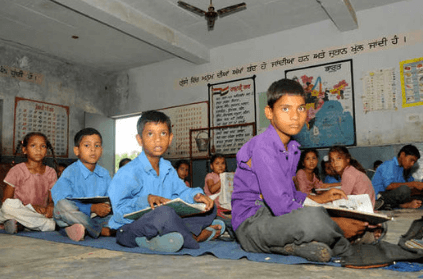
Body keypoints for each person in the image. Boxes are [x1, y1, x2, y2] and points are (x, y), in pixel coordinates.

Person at [231, 78, 371, 263]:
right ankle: (339, 235)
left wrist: (319, 198)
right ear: (269, 113)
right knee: (314, 220)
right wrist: (335, 223)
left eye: (301, 108)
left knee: (339, 215)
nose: (295, 116)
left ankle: (297, 247)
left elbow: (288, 194)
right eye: (285, 108)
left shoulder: (293, 149)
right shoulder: (263, 147)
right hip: (252, 225)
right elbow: (281, 206)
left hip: (274, 219)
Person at [108, 110, 224, 253]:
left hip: (166, 221)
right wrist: (146, 200)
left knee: (209, 208)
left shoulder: (167, 168)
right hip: (129, 228)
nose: (157, 139)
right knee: (163, 213)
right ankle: (195, 236)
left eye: (163, 133)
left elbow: (182, 191)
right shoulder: (128, 172)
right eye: (150, 134)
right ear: (139, 139)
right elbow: (118, 212)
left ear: (170, 138)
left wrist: (197, 196)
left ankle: (164, 238)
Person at [51, 128, 113, 242]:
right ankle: (98, 230)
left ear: (102, 150)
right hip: (74, 215)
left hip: (98, 217)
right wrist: (92, 207)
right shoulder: (69, 173)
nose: (93, 149)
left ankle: (79, 229)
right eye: (87, 145)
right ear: (76, 150)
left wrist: (107, 207)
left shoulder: (104, 173)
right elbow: (61, 200)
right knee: (61, 206)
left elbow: (111, 197)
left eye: (97, 145)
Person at [0, 132, 57, 234]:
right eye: (33, 145)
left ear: (46, 151)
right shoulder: (16, 170)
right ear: (24, 150)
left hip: (39, 213)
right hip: (22, 210)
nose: (38, 149)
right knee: (8, 206)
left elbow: (53, 199)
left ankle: (20, 225)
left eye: (42, 146)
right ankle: (35, 224)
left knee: (58, 212)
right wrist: (30, 207)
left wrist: (51, 205)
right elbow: (6, 200)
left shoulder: (51, 172)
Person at [372, 144, 423, 210]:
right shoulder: (389, 165)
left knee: (419, 195)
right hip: (379, 197)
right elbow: (389, 186)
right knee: (404, 190)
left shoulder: (403, 170)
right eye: (411, 160)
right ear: (402, 155)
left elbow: (409, 187)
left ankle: (402, 205)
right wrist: (413, 184)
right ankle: (402, 205)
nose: (412, 164)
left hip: (392, 197)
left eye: (414, 162)